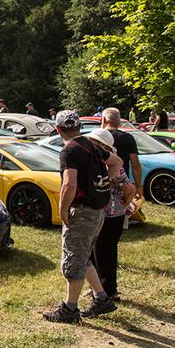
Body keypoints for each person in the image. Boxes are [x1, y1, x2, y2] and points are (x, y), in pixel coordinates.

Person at [42, 111, 123, 323]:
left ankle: (69, 309)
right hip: (97, 211)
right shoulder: (91, 144)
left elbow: (69, 184)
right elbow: (117, 162)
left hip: (82, 211)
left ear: (58, 129)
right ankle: (102, 299)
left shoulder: (69, 150)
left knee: (73, 259)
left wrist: (62, 210)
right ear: (79, 127)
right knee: (83, 255)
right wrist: (104, 182)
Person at [90, 120, 138, 301]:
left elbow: (130, 189)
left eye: (93, 143)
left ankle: (109, 292)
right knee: (99, 251)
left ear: (102, 146)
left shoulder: (110, 165)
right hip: (109, 215)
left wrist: (123, 205)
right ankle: (99, 288)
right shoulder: (104, 162)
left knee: (104, 253)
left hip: (110, 216)